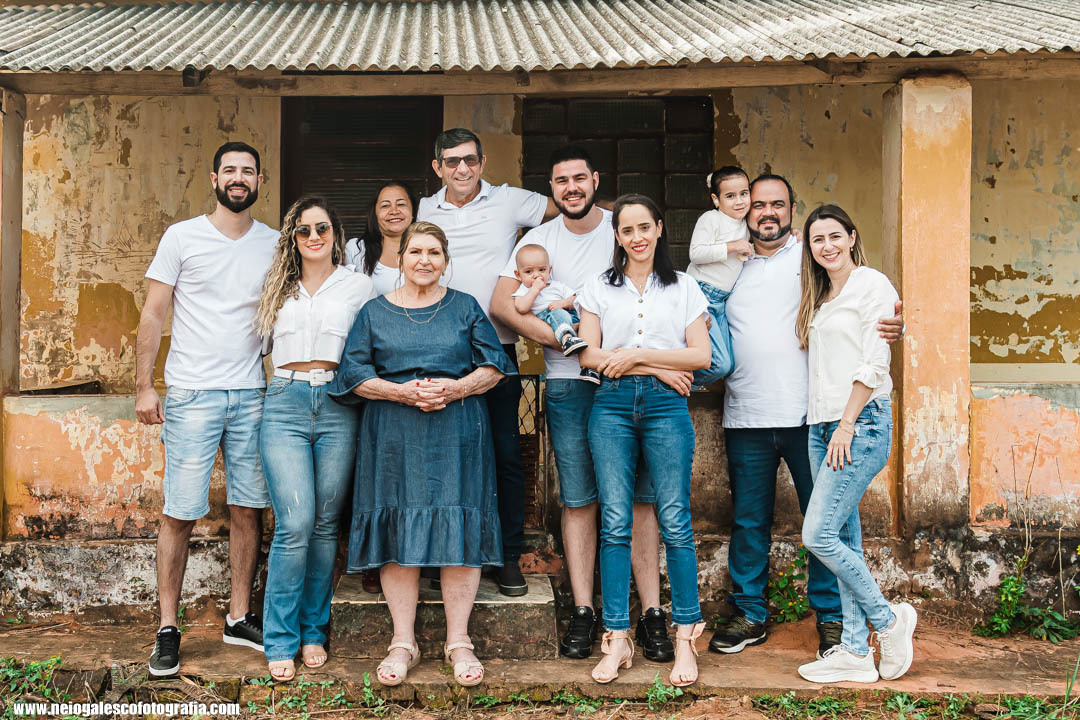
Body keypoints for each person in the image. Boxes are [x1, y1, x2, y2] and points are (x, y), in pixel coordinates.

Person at [710, 174, 904, 660]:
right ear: (744, 210)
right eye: (758, 204)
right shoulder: (729, 263)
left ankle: (834, 620)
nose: (767, 212)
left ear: (792, 209)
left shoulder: (811, 256)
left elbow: (866, 314)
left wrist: (895, 327)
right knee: (748, 522)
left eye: (777, 204)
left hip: (809, 418)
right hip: (746, 413)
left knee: (824, 523)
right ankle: (750, 613)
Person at [489, 146, 670, 663]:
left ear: (595, 180)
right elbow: (502, 305)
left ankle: (651, 612)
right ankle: (585, 611)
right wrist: (566, 343)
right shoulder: (539, 240)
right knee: (579, 499)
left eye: (578, 178)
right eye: (560, 181)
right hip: (570, 385)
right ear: (551, 188)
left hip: (631, 381)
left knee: (640, 500)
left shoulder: (623, 228)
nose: (570, 187)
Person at [328, 221, 515, 688]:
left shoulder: (465, 306)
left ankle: (459, 641)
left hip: (458, 432)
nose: (424, 260)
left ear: (446, 261)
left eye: (434, 252)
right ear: (402, 258)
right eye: (416, 252)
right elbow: (352, 374)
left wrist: (456, 388)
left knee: (460, 523)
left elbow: (495, 366)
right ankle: (402, 642)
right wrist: (400, 392)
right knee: (397, 525)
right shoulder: (374, 312)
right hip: (393, 434)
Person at [135, 141, 277, 677]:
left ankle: (238, 617)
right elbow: (153, 313)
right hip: (191, 394)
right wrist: (145, 386)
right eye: (230, 170)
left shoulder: (275, 242)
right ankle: (167, 628)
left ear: (260, 181)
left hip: (251, 393)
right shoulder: (182, 237)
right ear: (214, 178)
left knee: (247, 508)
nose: (239, 178)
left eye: (248, 171)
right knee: (180, 511)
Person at [417, 127, 558, 596]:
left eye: (470, 160)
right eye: (452, 161)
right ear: (437, 167)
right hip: (438, 348)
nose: (462, 169)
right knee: (442, 456)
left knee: (505, 455)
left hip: (497, 346)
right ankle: (441, 555)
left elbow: (571, 210)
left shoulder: (510, 200)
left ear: (482, 162)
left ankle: (507, 556)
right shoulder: (423, 209)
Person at [578, 194, 710, 687]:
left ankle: (685, 640)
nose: (636, 237)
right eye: (627, 229)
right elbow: (589, 355)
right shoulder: (598, 286)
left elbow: (699, 356)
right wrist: (656, 364)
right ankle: (617, 638)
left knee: (675, 519)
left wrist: (637, 358)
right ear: (617, 235)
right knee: (615, 522)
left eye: (644, 227)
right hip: (611, 406)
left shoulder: (684, 287)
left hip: (665, 407)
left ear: (659, 229)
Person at [254, 197, 376, 681]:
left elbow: (370, 347)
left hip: (338, 402)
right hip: (284, 400)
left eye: (321, 228)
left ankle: (312, 632)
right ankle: (279, 638)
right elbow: (255, 347)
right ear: (293, 238)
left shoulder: (358, 286)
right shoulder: (275, 286)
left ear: (335, 233)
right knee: (295, 522)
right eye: (303, 230)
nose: (313, 237)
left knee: (325, 524)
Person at [794, 204, 916, 683]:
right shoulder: (822, 296)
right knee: (843, 538)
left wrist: (846, 424)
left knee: (817, 535)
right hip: (821, 426)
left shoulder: (871, 284)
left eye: (834, 236)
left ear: (851, 236)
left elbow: (875, 361)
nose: (826, 246)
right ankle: (854, 651)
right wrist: (828, 426)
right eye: (817, 239)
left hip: (858, 423)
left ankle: (887, 622)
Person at [686, 166, 755, 387]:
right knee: (720, 364)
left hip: (722, 301)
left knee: (729, 364)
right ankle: (671, 384)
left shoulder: (746, 222)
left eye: (744, 193)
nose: (739, 201)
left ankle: (677, 381)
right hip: (702, 295)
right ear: (716, 200)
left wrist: (794, 233)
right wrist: (732, 246)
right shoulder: (711, 219)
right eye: (730, 196)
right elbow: (696, 253)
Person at [510, 243, 598, 380]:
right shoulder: (524, 290)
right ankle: (567, 339)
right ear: (518, 275)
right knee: (558, 313)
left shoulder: (557, 286)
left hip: (570, 316)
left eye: (541, 270)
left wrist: (563, 303)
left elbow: (576, 300)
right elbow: (521, 307)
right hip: (548, 318)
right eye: (529, 272)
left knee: (590, 329)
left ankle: (590, 368)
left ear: (549, 270)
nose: (536, 275)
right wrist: (535, 289)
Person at [345, 180, 418, 295]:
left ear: (413, 210)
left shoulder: (427, 249)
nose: (394, 211)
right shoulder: (356, 249)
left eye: (401, 204)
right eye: (385, 206)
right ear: (375, 214)